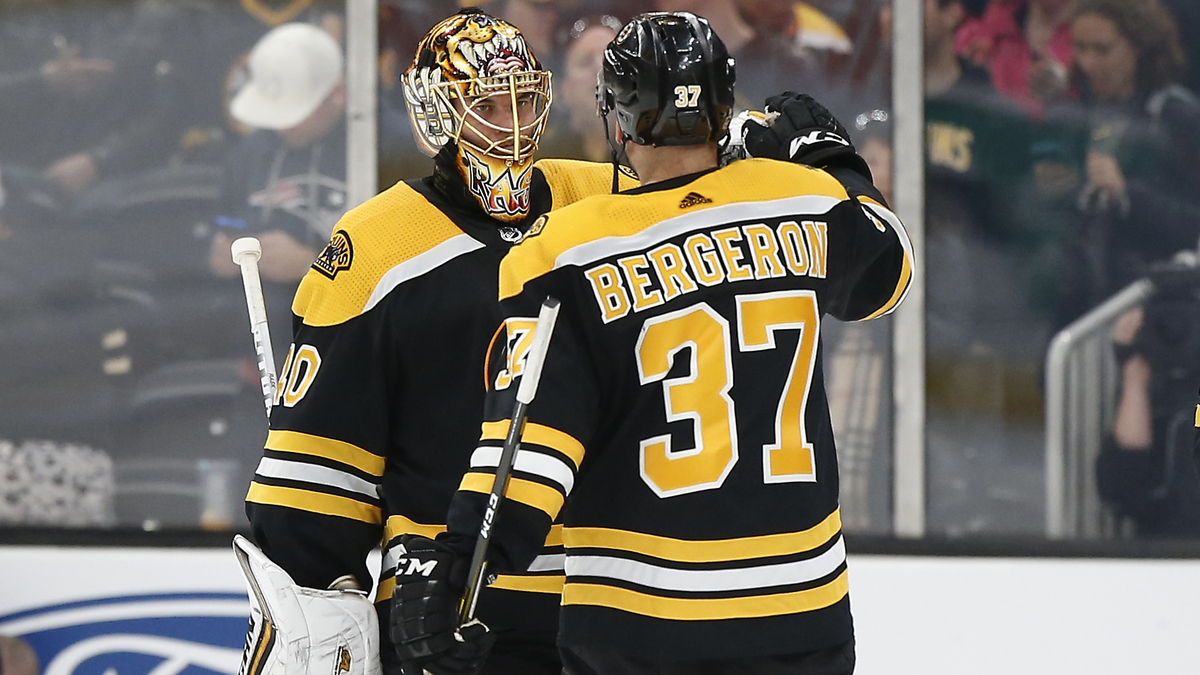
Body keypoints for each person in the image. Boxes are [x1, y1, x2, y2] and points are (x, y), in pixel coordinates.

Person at [391, 11, 912, 675]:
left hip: (637, 625)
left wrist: (462, 563)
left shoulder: (566, 247)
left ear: (617, 116)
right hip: (799, 614)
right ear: (725, 107)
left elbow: (532, 445)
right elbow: (888, 269)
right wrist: (829, 157)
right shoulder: (803, 199)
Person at [237, 9, 636, 675]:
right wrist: (312, 594)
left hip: (610, 601)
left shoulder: (607, 204)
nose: (511, 126)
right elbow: (313, 484)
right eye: (486, 106)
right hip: (445, 612)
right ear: (437, 116)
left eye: (523, 101)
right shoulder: (375, 249)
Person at [208, 21, 348, 356]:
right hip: (262, 349)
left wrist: (311, 264)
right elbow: (219, 226)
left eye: (294, 112)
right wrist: (220, 258)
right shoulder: (250, 153)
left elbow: (412, 269)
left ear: (336, 95)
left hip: (350, 350)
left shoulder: (385, 147)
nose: (282, 124)